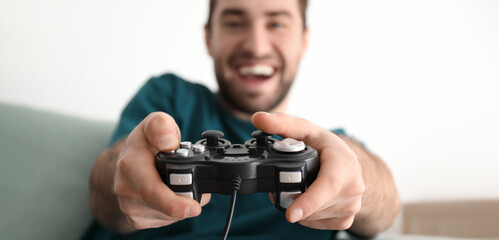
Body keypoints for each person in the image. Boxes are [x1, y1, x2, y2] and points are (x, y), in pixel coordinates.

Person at [82, 0, 400, 239]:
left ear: (303, 40)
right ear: (209, 38)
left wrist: (358, 174)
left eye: (276, 24)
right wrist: (123, 176)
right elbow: (103, 193)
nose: (256, 46)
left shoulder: (330, 153)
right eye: (234, 23)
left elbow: (384, 209)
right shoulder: (169, 102)